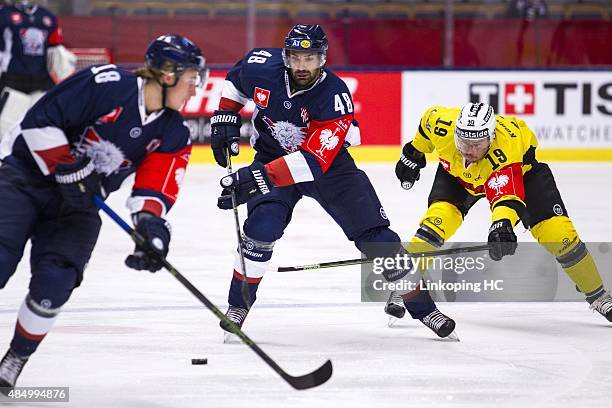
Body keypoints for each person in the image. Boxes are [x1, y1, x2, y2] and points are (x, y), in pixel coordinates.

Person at [209, 24, 456, 342]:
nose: (301, 66)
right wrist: (225, 116)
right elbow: (236, 80)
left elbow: (313, 160)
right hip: (272, 157)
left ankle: (424, 310)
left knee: (378, 238)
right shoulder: (261, 66)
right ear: (286, 56)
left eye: (309, 58)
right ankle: (238, 306)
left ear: (322, 58)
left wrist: (256, 177)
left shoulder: (335, 96)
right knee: (259, 229)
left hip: (329, 168)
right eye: (295, 57)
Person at [0, 34, 206, 389]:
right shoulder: (106, 83)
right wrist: (69, 165)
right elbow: (39, 122)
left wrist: (152, 231)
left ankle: (15, 359)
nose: (194, 89)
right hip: (25, 180)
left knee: (57, 281)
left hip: (78, 205)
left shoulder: (173, 132)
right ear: (168, 74)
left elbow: (153, 190)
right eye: (191, 79)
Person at [393, 102, 612, 323]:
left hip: (522, 176)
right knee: (433, 225)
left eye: (476, 144)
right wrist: (414, 153)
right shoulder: (441, 122)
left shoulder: (506, 150)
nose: (468, 151)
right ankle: (405, 286)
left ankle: (599, 296)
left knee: (559, 237)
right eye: (463, 142)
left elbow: (506, 198)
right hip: (457, 176)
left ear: (490, 137)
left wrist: (502, 225)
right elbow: (426, 125)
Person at [0, 1, 76, 139]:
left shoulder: (48, 17)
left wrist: (64, 78)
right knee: (6, 127)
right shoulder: (4, 14)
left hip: (41, 83)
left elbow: (55, 50)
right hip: (13, 82)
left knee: (43, 128)